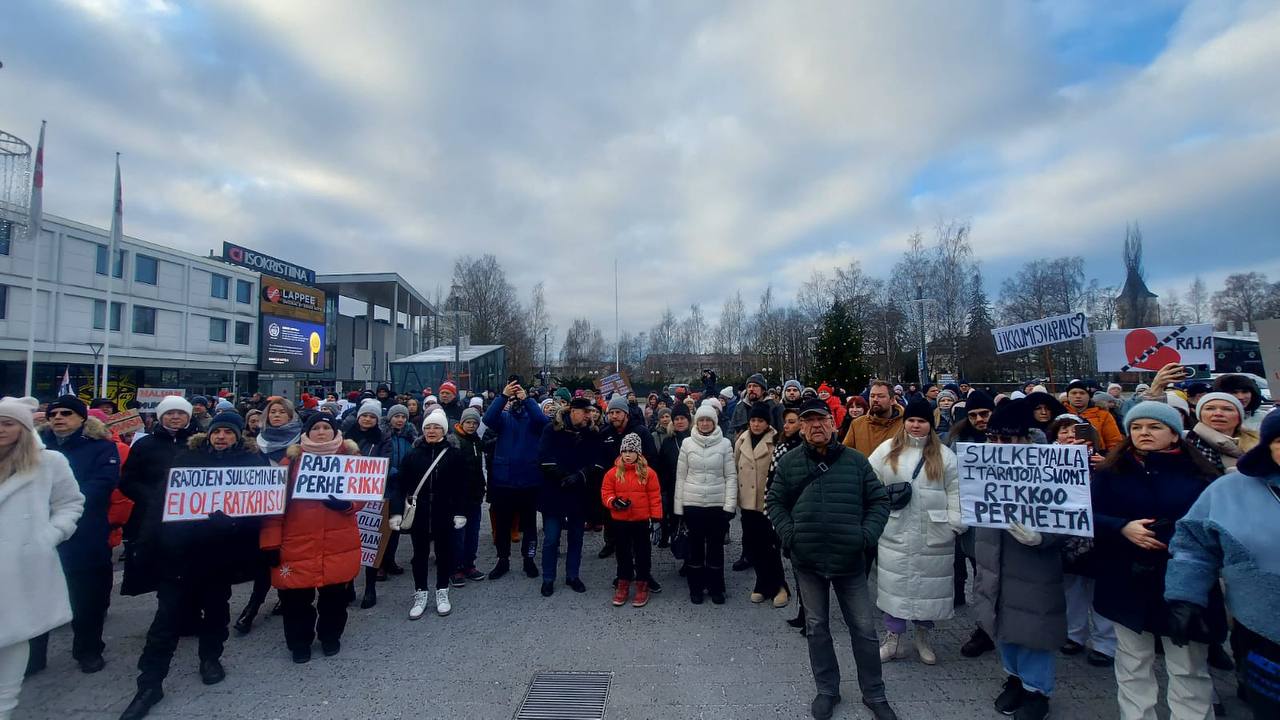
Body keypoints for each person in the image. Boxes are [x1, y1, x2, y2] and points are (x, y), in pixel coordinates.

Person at [118, 412, 269, 720]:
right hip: (179, 554)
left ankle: (211, 658)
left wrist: (235, 524)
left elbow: (260, 511)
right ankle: (150, 683)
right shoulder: (185, 461)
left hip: (220, 555)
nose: (222, 437)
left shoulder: (252, 464)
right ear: (209, 434)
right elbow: (160, 506)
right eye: (218, 431)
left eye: (228, 432)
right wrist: (147, 546)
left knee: (216, 610)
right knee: (166, 620)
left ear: (238, 436)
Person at [1091, 401, 1222, 720]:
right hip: (1126, 579)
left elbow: (1214, 525)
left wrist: (1172, 536)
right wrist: (1121, 526)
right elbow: (1087, 515)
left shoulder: (1201, 476)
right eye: (1136, 427)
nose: (1143, 433)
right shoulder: (1112, 472)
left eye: (1153, 427)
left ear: (1174, 435)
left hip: (1183, 585)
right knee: (1133, 662)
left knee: (1188, 666)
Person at [767, 399, 895, 720]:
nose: (816, 426)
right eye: (808, 421)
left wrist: (866, 537)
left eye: (821, 419)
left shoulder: (855, 462)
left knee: (864, 629)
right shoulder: (790, 463)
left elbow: (879, 500)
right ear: (802, 427)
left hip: (850, 559)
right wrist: (790, 536)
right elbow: (774, 502)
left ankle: (874, 692)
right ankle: (827, 689)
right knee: (816, 627)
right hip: (808, 561)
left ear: (833, 424)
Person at [1166, 411, 1280, 720]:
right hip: (1263, 628)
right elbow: (1194, 547)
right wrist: (1185, 598)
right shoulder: (1230, 491)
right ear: (1267, 446)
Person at [972, 399, 1066, 720]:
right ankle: (1014, 677)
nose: (998, 445)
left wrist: (1044, 536)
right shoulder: (984, 463)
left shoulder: (1051, 466)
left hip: (1033, 563)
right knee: (1002, 622)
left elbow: (1072, 515)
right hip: (993, 558)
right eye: (993, 438)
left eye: (1006, 439)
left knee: (1032, 627)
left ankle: (1037, 690)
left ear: (1025, 437)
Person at [0, 397, 84, 719]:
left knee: (13, 637)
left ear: (23, 427)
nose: (2, 429)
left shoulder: (49, 462)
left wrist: (49, 536)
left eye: (9, 423)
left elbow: (71, 503)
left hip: (22, 565)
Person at [262, 415, 363, 663]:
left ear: (335, 431)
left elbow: (364, 493)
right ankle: (299, 643)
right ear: (306, 433)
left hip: (337, 544)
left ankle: (330, 637)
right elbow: (273, 506)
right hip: (297, 543)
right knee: (295, 601)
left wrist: (348, 504)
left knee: (335, 600)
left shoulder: (351, 460)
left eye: (326, 428)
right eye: (315, 428)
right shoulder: (290, 461)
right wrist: (270, 543)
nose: (320, 432)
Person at [869, 398, 963, 666]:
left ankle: (923, 638)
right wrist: (877, 516)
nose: (915, 425)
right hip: (895, 531)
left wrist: (954, 525)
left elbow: (956, 492)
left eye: (921, 421)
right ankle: (893, 640)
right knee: (894, 588)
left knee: (927, 591)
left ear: (929, 424)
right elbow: (870, 481)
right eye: (911, 420)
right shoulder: (887, 450)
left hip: (934, 534)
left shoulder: (944, 456)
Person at [32, 396, 118, 676]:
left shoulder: (101, 448)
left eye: (66, 413)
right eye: (53, 413)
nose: (58, 418)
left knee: (86, 599)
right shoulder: (33, 449)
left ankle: (88, 650)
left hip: (85, 533)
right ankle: (33, 655)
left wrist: (60, 505)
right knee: (36, 595)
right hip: (39, 533)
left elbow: (101, 485)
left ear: (82, 418)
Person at [1046, 416, 1114, 668]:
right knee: (1071, 587)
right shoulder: (1045, 462)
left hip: (1100, 534)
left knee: (1100, 589)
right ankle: (1075, 634)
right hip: (1066, 535)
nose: (1070, 436)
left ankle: (1105, 643)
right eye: (1064, 431)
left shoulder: (1107, 461)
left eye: (1077, 431)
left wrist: (1106, 467)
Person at [388, 410, 466, 620]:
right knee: (419, 554)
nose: (432, 431)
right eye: (428, 427)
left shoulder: (453, 454)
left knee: (444, 553)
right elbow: (401, 485)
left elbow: (461, 486)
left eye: (437, 427)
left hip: (444, 510)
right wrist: (396, 512)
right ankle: (421, 592)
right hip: (419, 510)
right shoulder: (413, 454)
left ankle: (442, 591)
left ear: (444, 430)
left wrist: (460, 512)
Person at [483, 378, 550, 580]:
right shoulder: (503, 418)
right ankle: (502, 560)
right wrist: (503, 396)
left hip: (529, 481)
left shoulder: (533, 420)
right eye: (513, 399)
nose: (516, 402)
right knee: (502, 525)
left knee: (529, 526)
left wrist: (528, 399)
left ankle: (528, 560)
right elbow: (487, 418)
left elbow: (543, 422)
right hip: (504, 481)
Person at [537, 396, 604, 596]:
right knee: (551, 538)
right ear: (574, 411)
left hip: (578, 492)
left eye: (590, 412)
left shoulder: (591, 433)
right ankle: (548, 578)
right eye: (585, 412)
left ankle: (572, 576)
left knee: (576, 537)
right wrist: (561, 475)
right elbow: (543, 458)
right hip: (554, 491)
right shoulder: (552, 429)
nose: (589, 416)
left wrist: (580, 476)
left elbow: (598, 462)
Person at [674, 404, 737, 605]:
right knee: (695, 548)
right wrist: (679, 508)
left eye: (708, 420)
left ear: (714, 422)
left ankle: (716, 587)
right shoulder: (687, 443)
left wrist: (730, 506)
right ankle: (696, 587)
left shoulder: (726, 444)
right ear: (697, 421)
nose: (704, 423)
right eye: (701, 419)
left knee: (716, 549)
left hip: (717, 504)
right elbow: (681, 477)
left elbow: (731, 477)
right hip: (692, 503)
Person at [601, 433, 663, 608]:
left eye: (631, 451)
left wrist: (657, 519)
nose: (627, 454)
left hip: (641, 521)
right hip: (620, 521)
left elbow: (654, 497)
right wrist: (613, 502)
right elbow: (606, 493)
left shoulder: (648, 473)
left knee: (643, 553)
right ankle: (623, 583)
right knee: (623, 553)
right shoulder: (612, 473)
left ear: (638, 453)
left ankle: (643, 584)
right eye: (625, 451)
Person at [734, 402, 786, 607]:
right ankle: (761, 583)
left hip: (767, 503)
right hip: (747, 503)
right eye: (753, 420)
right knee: (753, 546)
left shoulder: (775, 441)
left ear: (767, 422)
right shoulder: (741, 440)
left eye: (760, 421)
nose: (756, 424)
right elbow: (735, 466)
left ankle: (780, 586)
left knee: (771, 546)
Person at [598, 395, 659, 561]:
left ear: (626, 413)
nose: (614, 416)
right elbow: (599, 459)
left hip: (636, 485)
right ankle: (610, 543)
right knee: (610, 519)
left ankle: (637, 560)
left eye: (618, 412)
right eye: (611, 412)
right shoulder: (605, 433)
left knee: (635, 529)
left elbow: (651, 458)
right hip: (612, 484)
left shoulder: (640, 431)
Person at [447, 406, 487, 585]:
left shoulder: (475, 440)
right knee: (458, 532)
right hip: (458, 495)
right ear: (461, 423)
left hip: (475, 494)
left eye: (474, 423)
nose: (471, 426)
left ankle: (469, 564)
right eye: (468, 422)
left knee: (473, 532)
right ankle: (455, 567)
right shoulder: (454, 441)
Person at [1185, 391, 1259, 473]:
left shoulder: (1259, 444)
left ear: (1239, 416)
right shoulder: (1188, 443)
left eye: (1227, 409)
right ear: (1200, 415)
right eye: (1210, 408)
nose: (1218, 413)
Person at [843, 380, 903, 457]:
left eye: (880, 396)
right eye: (872, 396)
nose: (875, 399)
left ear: (892, 400)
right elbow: (846, 455)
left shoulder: (904, 425)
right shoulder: (857, 424)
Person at [1064, 380, 1123, 452]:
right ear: (1068, 396)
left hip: (1098, 457)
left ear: (1089, 396)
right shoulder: (1060, 414)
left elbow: (1114, 442)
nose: (1078, 396)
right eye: (1074, 393)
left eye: (1082, 393)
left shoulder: (1103, 415)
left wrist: (1107, 459)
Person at [729, 373, 783, 439]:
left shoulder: (774, 407)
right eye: (749, 386)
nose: (751, 389)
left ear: (763, 390)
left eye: (755, 386)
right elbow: (731, 431)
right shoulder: (740, 407)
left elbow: (781, 431)